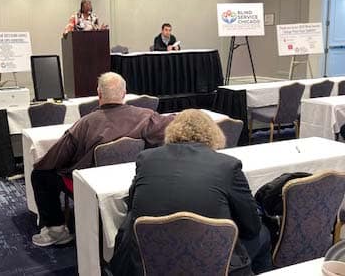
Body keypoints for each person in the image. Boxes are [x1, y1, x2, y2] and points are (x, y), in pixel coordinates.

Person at [110, 109, 273, 276]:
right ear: (213, 133)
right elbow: (251, 226)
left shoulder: (146, 159)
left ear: (172, 131)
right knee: (264, 235)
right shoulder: (228, 165)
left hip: (148, 262)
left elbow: (131, 206)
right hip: (213, 265)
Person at [31, 72, 173, 247]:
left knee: (40, 174)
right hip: (133, 180)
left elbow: (54, 158)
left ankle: (56, 231)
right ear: (124, 93)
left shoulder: (85, 124)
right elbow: (172, 128)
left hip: (91, 185)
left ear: (99, 94)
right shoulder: (146, 116)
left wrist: (41, 164)